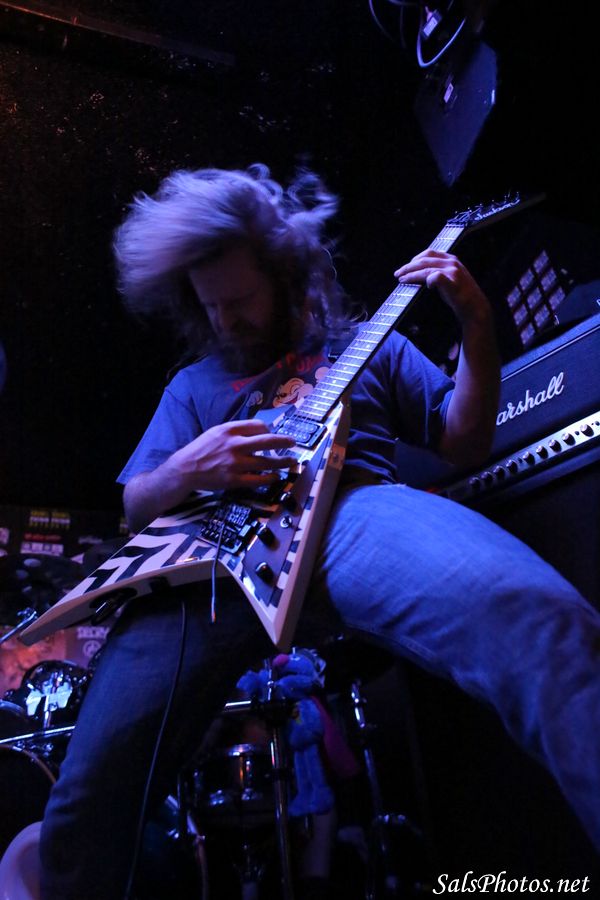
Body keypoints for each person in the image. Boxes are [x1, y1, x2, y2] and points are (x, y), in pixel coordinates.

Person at [38, 164, 600, 898]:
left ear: (284, 275)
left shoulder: (370, 344)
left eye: (239, 301)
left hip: (351, 515)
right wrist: (188, 467)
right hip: (208, 558)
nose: (224, 322)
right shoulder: (192, 386)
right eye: (209, 306)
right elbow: (137, 506)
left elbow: (464, 441)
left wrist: (477, 324)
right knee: (87, 797)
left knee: (545, 625)